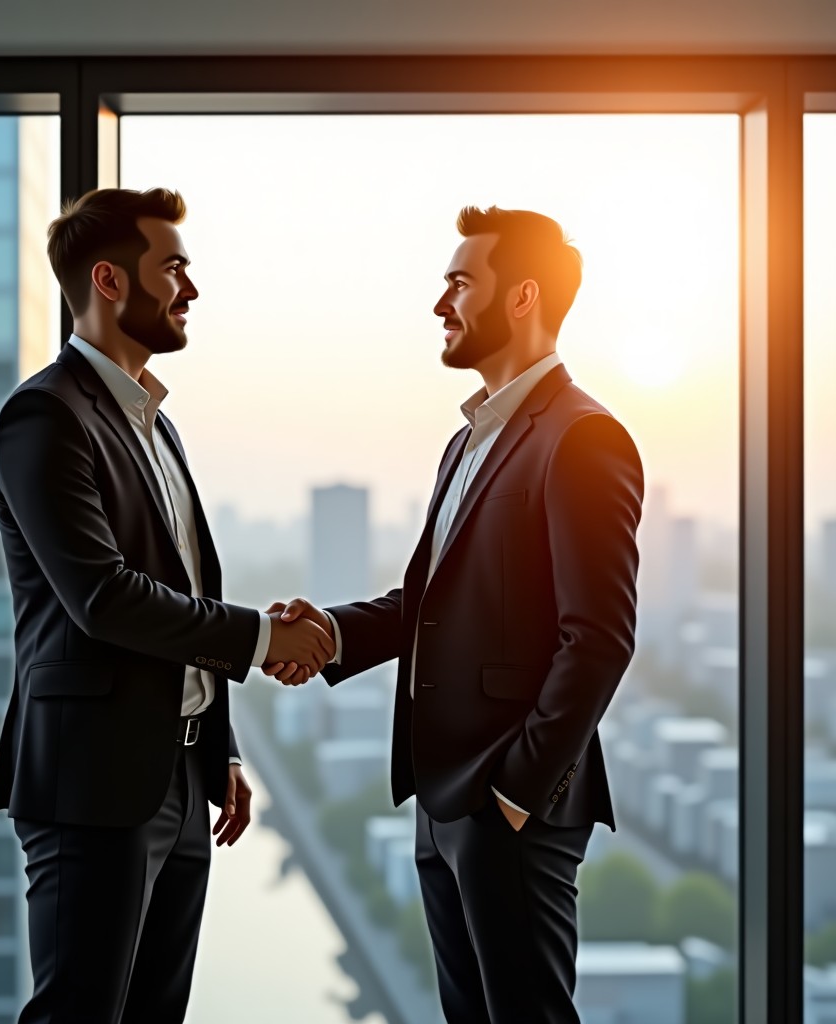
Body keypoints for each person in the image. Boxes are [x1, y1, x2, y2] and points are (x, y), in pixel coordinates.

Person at [269, 204, 644, 1023]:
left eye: (459, 283)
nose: (440, 304)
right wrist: (330, 632)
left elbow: (601, 638)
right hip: (445, 805)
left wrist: (517, 791)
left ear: (521, 298)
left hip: (507, 804)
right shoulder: (467, 442)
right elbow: (432, 605)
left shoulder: (583, 438)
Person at [0, 187, 334, 1024]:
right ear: (109, 280)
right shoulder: (44, 416)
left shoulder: (155, 426)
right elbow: (104, 597)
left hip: (177, 776)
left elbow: (182, 596)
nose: (191, 288)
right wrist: (263, 637)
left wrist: (221, 746)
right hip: (92, 785)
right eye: (173, 267)